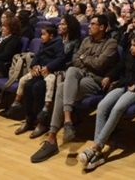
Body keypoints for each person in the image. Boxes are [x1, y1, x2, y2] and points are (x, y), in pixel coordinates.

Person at [30, 14, 118, 163]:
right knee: (68, 77)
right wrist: (87, 60)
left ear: (102, 27)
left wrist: (85, 59)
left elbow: (99, 65)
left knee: (64, 86)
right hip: (79, 76)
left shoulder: (111, 43)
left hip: (94, 81)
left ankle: (55, 135)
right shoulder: (86, 40)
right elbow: (76, 61)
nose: (89, 26)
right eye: (89, 24)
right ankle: (63, 126)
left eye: (93, 24)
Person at [77, 33, 135, 171]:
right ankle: (98, 152)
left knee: (117, 109)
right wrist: (109, 77)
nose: (131, 48)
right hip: (123, 85)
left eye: (134, 46)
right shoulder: (128, 55)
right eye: (131, 45)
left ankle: (96, 146)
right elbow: (120, 67)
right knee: (102, 105)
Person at [8, 23, 65, 133]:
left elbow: (60, 59)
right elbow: (37, 56)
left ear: (51, 36)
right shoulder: (44, 44)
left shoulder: (58, 44)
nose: (41, 37)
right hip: (39, 72)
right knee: (28, 85)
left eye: (44, 34)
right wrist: (34, 66)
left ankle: (42, 122)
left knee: (38, 87)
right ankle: (29, 119)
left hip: (50, 72)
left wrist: (48, 67)